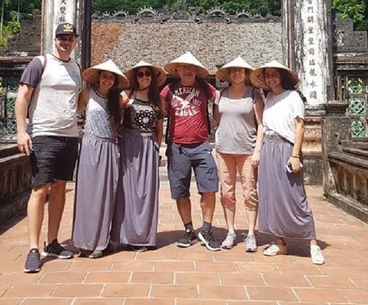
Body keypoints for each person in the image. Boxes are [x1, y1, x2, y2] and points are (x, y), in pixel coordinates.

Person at [15, 23, 82, 273]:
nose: (66, 42)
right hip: (44, 133)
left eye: (70, 38)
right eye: (62, 38)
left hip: (70, 135)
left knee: (61, 187)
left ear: (75, 41)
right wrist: (22, 132)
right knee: (40, 189)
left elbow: (77, 101)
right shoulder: (39, 63)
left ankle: (52, 241)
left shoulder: (76, 68)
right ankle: (33, 248)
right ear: (55, 40)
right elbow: (22, 96)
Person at [250, 60, 325, 265]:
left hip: (286, 148)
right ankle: (280, 241)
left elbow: (300, 126)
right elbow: (265, 127)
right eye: (268, 76)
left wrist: (294, 155)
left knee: (295, 195)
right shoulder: (270, 98)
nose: (271, 79)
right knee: (271, 195)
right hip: (269, 148)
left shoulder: (293, 97)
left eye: (274, 75)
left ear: (282, 77)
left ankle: (313, 244)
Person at [161, 51, 221, 251]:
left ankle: (206, 228)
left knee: (209, 187)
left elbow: (219, 100)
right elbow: (161, 113)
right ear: (177, 70)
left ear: (196, 70)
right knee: (180, 190)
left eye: (191, 67)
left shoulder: (205, 87)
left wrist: (215, 121)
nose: (187, 70)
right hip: (177, 146)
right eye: (183, 67)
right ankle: (188, 230)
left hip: (201, 144)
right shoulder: (168, 90)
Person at [72, 60, 129, 259]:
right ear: (98, 78)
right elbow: (73, 114)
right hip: (90, 146)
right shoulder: (87, 95)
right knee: (87, 194)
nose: (107, 80)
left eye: (111, 77)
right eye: (104, 76)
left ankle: (102, 242)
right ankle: (84, 240)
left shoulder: (119, 99)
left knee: (106, 195)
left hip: (110, 147)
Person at [111, 61, 165, 250]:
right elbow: (114, 118)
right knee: (127, 191)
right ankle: (125, 236)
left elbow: (159, 129)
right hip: (129, 145)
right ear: (135, 77)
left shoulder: (158, 100)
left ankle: (144, 237)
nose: (144, 77)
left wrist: (157, 150)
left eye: (147, 74)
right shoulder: (126, 96)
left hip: (148, 146)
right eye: (140, 74)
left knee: (146, 192)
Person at [213, 57, 263, 252]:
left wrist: (258, 149)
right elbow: (216, 120)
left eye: (241, 71)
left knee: (249, 191)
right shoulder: (221, 94)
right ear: (229, 74)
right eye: (233, 71)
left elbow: (261, 125)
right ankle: (231, 231)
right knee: (226, 192)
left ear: (246, 73)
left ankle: (250, 233)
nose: (237, 73)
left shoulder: (254, 95)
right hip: (224, 150)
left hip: (247, 150)